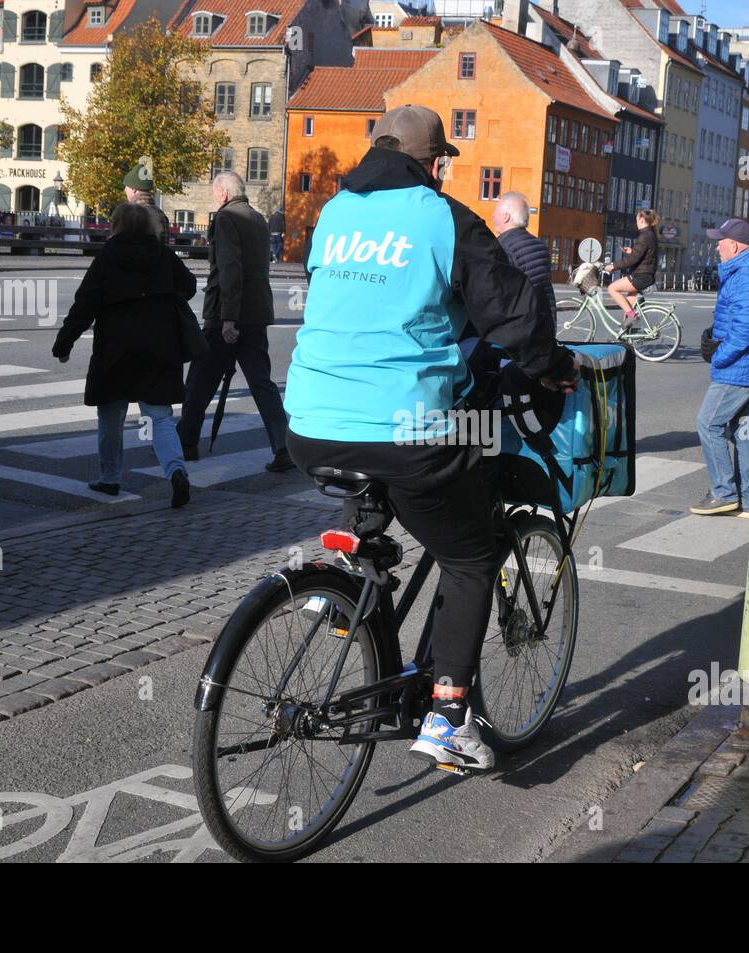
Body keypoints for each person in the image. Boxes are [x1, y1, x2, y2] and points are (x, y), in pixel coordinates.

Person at [285, 104, 578, 771]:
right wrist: (553, 369)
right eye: (443, 161)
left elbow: (350, 301)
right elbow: (515, 316)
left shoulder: (334, 213)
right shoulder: (443, 218)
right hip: (405, 429)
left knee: (391, 474)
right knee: (471, 554)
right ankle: (449, 716)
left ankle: (354, 577)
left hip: (308, 421)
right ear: (433, 162)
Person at [52, 203, 196, 508]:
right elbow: (190, 286)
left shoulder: (107, 257)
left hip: (115, 348)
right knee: (160, 417)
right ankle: (176, 471)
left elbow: (84, 305)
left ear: (116, 225)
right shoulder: (162, 254)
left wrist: (64, 343)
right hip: (159, 346)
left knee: (110, 416)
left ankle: (110, 478)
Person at [177, 172, 292, 472]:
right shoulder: (257, 218)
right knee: (262, 384)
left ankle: (185, 442)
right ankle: (283, 446)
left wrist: (228, 317)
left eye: (216, 195)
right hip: (256, 313)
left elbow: (229, 268)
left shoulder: (227, 218)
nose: (216, 200)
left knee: (200, 381)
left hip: (226, 315)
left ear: (225, 194)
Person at [691, 218, 749, 518]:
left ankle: (723, 493)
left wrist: (719, 355)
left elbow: (745, 328)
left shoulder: (745, 273)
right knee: (744, 429)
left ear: (736, 245)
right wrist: (714, 333)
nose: (717, 245)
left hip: (741, 366)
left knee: (708, 422)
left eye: (721, 240)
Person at [492, 191, 555, 325]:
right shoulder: (540, 246)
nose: (492, 215)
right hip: (545, 325)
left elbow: (498, 296)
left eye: (496, 211)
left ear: (505, 217)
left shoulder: (502, 248)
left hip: (521, 330)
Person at [608, 209, 659, 327]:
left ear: (641, 220)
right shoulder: (650, 234)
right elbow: (644, 255)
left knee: (612, 288)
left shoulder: (644, 236)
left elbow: (632, 261)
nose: (636, 223)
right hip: (645, 274)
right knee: (628, 303)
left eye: (637, 220)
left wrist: (613, 266)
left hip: (640, 276)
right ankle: (625, 336)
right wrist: (632, 251)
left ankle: (632, 315)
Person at [123, 162, 170, 236]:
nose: (124, 190)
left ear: (133, 189)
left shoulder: (127, 215)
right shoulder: (161, 216)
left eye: (126, 187)